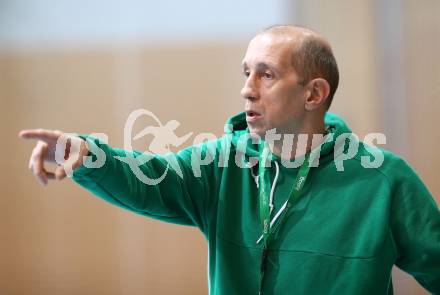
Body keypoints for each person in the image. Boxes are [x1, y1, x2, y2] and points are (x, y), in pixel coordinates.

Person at [19, 25, 440, 294]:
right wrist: (88, 154)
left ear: (314, 94)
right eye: (246, 73)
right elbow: (149, 177)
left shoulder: (384, 181)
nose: (247, 89)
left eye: (267, 74)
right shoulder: (221, 166)